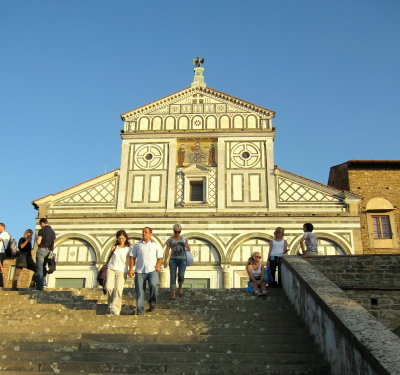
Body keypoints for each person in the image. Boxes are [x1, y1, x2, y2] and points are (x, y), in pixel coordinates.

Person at [128, 227, 163, 315]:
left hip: (152, 270)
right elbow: (132, 257)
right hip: (139, 271)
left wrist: (158, 266)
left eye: (146, 232)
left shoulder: (156, 245)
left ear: (150, 234)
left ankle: (152, 302)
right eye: (143, 232)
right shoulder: (137, 245)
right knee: (139, 291)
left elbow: (160, 257)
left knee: (154, 285)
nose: (144, 233)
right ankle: (140, 310)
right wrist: (131, 268)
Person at [105, 230, 131, 315]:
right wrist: (112, 250)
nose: (121, 240)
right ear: (117, 238)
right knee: (108, 287)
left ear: (126, 238)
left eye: (123, 238)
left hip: (122, 270)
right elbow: (109, 258)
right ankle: (110, 304)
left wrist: (131, 269)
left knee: (118, 290)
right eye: (119, 238)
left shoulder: (129, 249)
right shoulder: (114, 247)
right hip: (111, 268)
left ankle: (116, 310)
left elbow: (131, 260)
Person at [163, 224, 191, 299]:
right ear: (173, 231)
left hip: (182, 259)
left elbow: (188, 249)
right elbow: (167, 250)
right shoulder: (170, 239)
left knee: (181, 274)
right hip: (173, 259)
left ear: (180, 232)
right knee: (173, 276)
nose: (177, 233)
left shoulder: (184, 239)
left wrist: (185, 245)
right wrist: (165, 260)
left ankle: (180, 286)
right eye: (176, 232)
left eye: (178, 232)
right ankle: (173, 294)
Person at [35, 218, 56, 291]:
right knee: (44, 268)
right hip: (49, 251)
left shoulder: (42, 230)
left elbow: (38, 242)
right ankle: (43, 283)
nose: (41, 226)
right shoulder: (53, 232)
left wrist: (36, 239)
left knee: (39, 268)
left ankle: (39, 287)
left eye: (40, 225)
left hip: (42, 250)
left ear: (42, 223)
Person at [0, 222, 11, 287]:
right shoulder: (3, 234)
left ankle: (1, 284)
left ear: (2, 227)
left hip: (1, 252)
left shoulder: (5, 234)